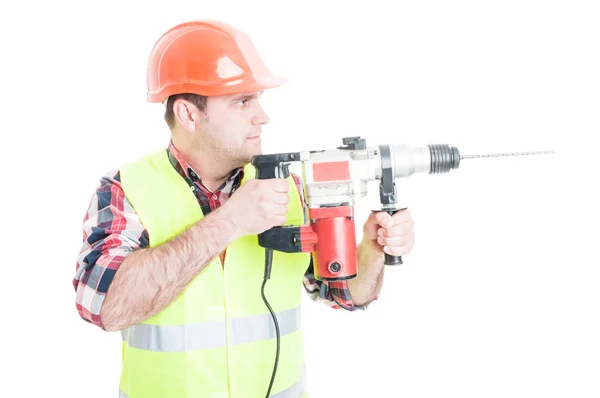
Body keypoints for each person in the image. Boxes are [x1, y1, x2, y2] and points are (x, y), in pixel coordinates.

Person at [73, 19, 415, 398]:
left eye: (258, 100)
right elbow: (102, 306)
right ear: (189, 115)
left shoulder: (288, 189)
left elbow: (345, 294)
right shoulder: (127, 188)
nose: (262, 116)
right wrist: (229, 222)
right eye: (242, 101)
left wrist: (372, 250)